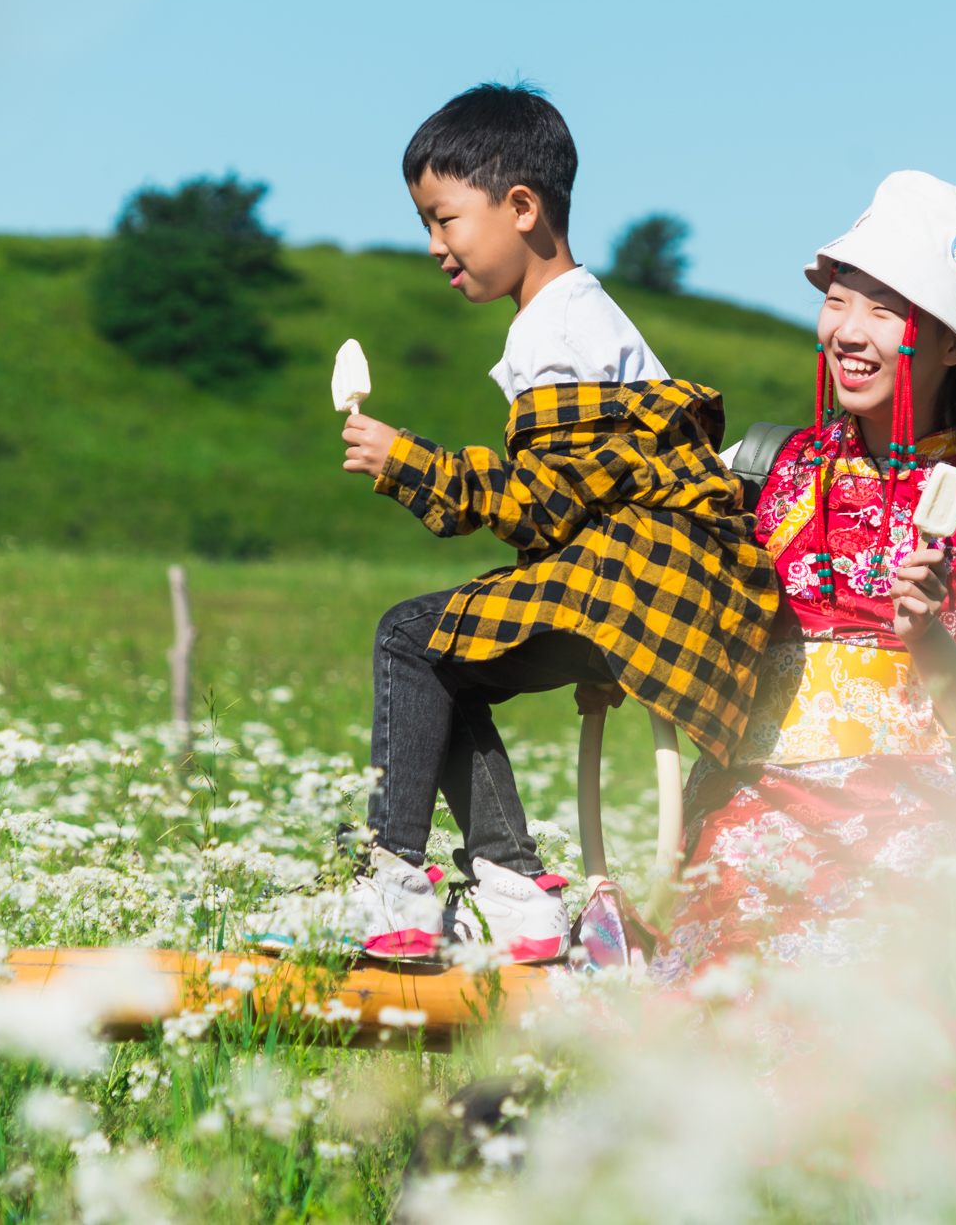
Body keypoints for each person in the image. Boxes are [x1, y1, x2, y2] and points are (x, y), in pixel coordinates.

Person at [651, 170, 956, 1099]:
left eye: (885, 310)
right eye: (839, 300)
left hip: (914, 848)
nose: (848, 331)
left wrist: (931, 639)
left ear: (947, 343)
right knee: (697, 1057)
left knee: (874, 1057)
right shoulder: (752, 472)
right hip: (740, 836)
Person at [334, 83, 780, 963]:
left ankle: (395, 879)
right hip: (654, 590)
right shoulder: (589, 319)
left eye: (446, 218)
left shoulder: (555, 334)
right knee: (447, 657)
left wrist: (410, 464)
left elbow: (540, 498)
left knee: (407, 640)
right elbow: (589, 494)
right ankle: (515, 891)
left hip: (633, 588)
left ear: (523, 207)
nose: (433, 246)